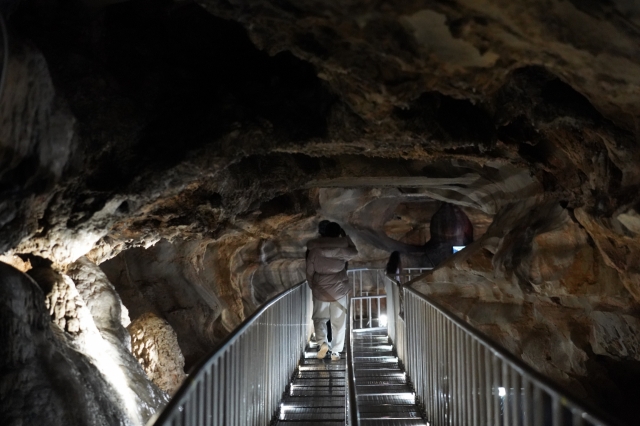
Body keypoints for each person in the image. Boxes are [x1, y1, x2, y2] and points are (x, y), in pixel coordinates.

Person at [306, 221, 358, 361]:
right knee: (339, 322)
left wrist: (313, 286)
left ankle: (322, 343)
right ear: (338, 233)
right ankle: (336, 352)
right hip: (338, 291)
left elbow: (309, 271)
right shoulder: (342, 249)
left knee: (319, 319)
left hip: (320, 289)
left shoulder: (314, 249)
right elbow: (355, 251)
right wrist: (345, 236)